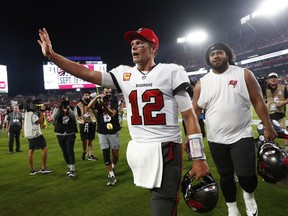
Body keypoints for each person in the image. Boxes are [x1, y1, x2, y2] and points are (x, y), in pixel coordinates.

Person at [38, 27, 209, 216]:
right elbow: (85, 73)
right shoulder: (123, 74)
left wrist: (199, 157)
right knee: (164, 204)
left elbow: (189, 116)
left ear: (153, 49)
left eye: (140, 44)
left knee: (164, 203)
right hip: (140, 150)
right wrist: (52, 56)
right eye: (132, 44)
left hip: (166, 147)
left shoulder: (171, 71)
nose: (134, 47)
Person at [192, 42, 277, 216]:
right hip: (216, 138)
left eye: (219, 52)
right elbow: (194, 113)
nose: (216, 56)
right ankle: (232, 207)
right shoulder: (202, 83)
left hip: (242, 135)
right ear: (208, 59)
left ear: (227, 55)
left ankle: (249, 196)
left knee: (246, 175)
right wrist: (192, 138)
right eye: (212, 54)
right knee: (225, 175)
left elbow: (258, 101)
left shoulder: (244, 74)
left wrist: (268, 126)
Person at [87, 88, 121, 186]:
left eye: (109, 92)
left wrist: (104, 106)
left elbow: (112, 113)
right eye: (106, 93)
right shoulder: (98, 101)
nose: (108, 94)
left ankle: (113, 166)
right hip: (102, 131)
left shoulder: (114, 100)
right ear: (102, 93)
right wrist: (97, 97)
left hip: (113, 131)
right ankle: (111, 176)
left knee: (115, 154)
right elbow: (88, 107)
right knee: (105, 153)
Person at [23, 98, 53, 175]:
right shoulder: (31, 113)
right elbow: (39, 121)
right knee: (44, 148)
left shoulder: (26, 112)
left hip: (29, 134)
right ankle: (43, 168)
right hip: (35, 134)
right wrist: (42, 112)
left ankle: (32, 170)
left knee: (31, 150)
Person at [52, 95, 78, 178]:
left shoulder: (73, 108)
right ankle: (69, 167)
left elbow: (74, 118)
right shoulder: (57, 109)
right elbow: (54, 118)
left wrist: (68, 109)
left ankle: (72, 170)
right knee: (64, 151)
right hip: (60, 133)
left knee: (70, 151)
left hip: (70, 133)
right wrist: (60, 109)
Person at [265, 72, 288, 151]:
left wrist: (283, 103)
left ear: (277, 79)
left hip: (280, 114)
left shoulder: (283, 87)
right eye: (271, 77)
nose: (273, 79)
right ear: (268, 79)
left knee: (284, 132)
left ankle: (286, 150)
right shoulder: (263, 88)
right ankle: (269, 149)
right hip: (269, 115)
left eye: (275, 77)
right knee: (268, 134)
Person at [76, 91, 98, 161]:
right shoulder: (79, 105)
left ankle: (90, 155)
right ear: (83, 96)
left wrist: (94, 109)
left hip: (92, 122)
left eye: (88, 95)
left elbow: (96, 113)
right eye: (85, 95)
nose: (87, 96)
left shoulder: (93, 103)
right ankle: (84, 152)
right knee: (84, 140)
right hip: (83, 123)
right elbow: (77, 115)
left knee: (91, 139)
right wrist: (81, 120)